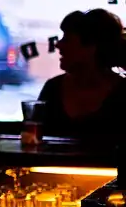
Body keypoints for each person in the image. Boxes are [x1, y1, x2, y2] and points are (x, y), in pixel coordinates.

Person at [37, 9, 126, 142]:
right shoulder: (52, 89)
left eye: (67, 39)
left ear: (92, 47)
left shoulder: (123, 94)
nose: (58, 44)